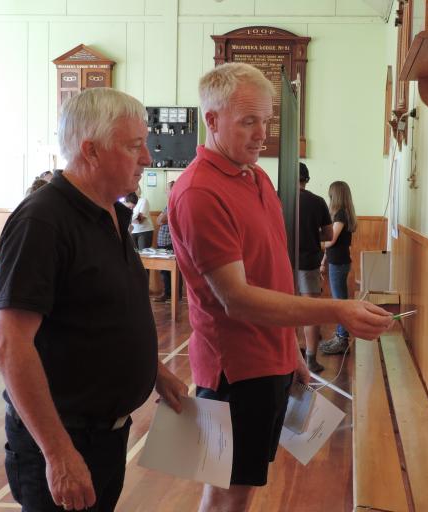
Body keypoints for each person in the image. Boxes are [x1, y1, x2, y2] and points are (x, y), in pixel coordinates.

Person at [168, 62, 392, 512]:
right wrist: (338, 310)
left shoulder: (258, 178)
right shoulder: (197, 192)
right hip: (232, 371)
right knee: (225, 492)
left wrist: (289, 353)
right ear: (211, 120)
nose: (261, 134)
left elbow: (272, 274)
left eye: (266, 121)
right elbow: (237, 299)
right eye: (248, 121)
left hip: (268, 362)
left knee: (243, 487)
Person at [0, 87, 186, 512]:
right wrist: (59, 454)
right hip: (64, 439)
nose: (148, 158)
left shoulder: (110, 215)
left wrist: (155, 372)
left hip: (106, 436)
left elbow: (104, 315)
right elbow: (9, 345)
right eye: (135, 146)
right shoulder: (42, 221)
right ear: (91, 151)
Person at [297, 162, 332, 372]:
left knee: (282, 310)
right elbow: (329, 235)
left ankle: (287, 358)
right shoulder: (318, 202)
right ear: (306, 180)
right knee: (311, 312)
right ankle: (310, 359)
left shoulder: (277, 198)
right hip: (309, 262)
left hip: (283, 263)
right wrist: (311, 235)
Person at [320, 181, 358, 355]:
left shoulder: (341, 214)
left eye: (330, 195)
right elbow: (330, 244)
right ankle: (339, 336)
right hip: (338, 262)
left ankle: (342, 339)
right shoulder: (341, 214)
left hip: (340, 263)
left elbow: (331, 239)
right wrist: (323, 261)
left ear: (335, 196)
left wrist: (314, 243)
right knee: (339, 300)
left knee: (340, 302)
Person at [154, 181, 177, 302]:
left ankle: (172, 295)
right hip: (163, 242)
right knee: (164, 270)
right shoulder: (168, 203)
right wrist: (161, 217)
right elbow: (158, 220)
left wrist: (162, 217)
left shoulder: (173, 203)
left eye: (167, 189)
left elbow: (161, 219)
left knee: (170, 270)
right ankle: (168, 294)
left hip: (169, 242)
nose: (166, 191)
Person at [130, 185, 154, 250]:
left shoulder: (143, 201)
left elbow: (139, 220)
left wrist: (127, 219)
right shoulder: (127, 202)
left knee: (143, 255)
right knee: (134, 255)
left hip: (144, 232)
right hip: (132, 232)